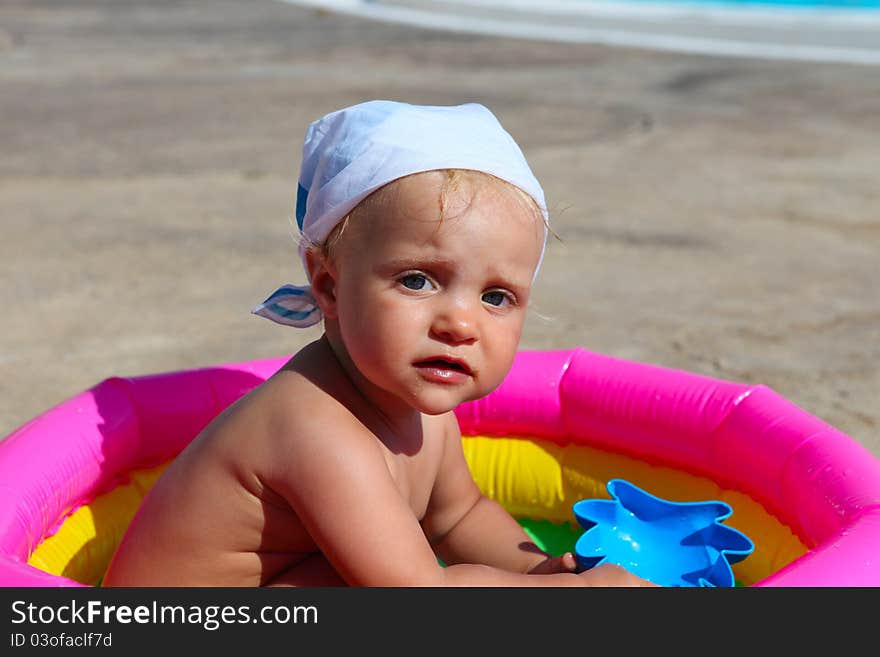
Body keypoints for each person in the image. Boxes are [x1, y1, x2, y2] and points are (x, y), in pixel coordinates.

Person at [103, 100, 655, 587]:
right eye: (418, 280)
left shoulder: (418, 399)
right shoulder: (312, 426)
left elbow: (459, 516)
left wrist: (534, 569)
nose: (460, 324)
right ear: (329, 285)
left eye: (496, 297)